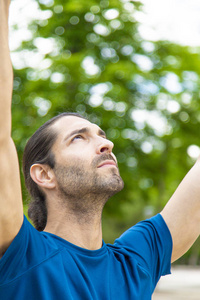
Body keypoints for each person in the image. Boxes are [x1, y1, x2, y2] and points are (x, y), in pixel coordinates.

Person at [0, 1, 200, 299]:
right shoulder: (22, 254)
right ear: (44, 174)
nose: (106, 144)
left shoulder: (135, 262)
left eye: (102, 135)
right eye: (78, 138)